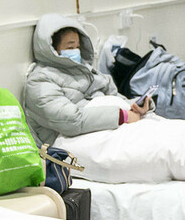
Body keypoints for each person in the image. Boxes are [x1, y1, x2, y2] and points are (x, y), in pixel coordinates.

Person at [23, 14, 149, 146]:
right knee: (148, 147)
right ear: (51, 49)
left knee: (157, 131)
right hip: (74, 140)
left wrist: (136, 105)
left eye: (78, 47)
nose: (76, 52)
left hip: (108, 126)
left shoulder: (85, 70)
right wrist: (122, 116)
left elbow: (114, 96)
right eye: (70, 48)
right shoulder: (40, 81)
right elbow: (71, 121)